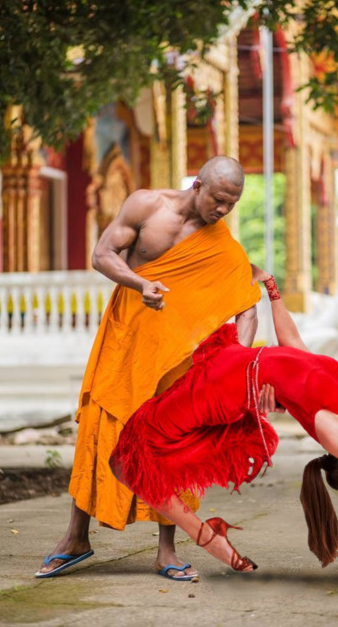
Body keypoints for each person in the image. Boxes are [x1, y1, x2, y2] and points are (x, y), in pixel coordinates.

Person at [109, 265, 338, 571]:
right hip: (230, 363)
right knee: (133, 457)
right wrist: (272, 288)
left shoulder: (334, 434)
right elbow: (294, 346)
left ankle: (207, 539)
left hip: (217, 389)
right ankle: (208, 536)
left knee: (127, 462)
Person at [36, 156, 261, 580]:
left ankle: (168, 553)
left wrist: (230, 369)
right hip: (126, 343)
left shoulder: (222, 244)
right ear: (198, 185)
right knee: (100, 431)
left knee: (173, 445)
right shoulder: (145, 205)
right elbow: (102, 254)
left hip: (177, 360)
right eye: (218, 199)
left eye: (232, 204)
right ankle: (76, 538)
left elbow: (248, 310)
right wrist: (140, 284)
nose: (223, 211)